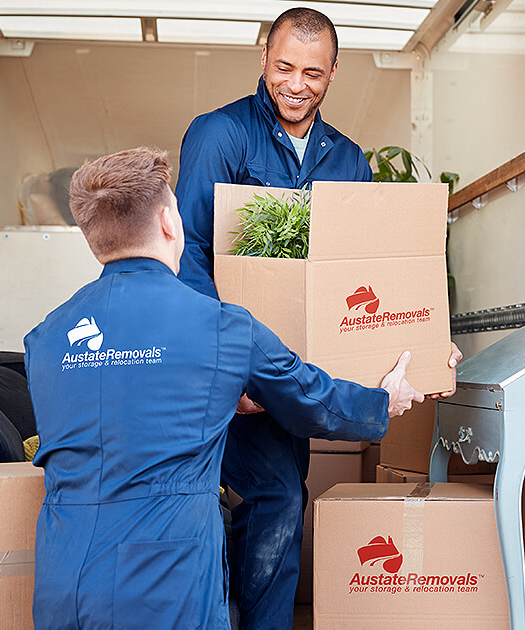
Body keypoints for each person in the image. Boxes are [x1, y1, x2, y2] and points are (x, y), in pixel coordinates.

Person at [25, 147, 424, 630]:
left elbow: (121, 409)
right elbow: (313, 403)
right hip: (167, 583)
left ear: (93, 238)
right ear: (171, 221)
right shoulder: (221, 327)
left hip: (60, 580)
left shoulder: (45, 338)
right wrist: (384, 400)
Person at [174, 7, 461, 629]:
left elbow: (363, 276)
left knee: (280, 498)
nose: (295, 84)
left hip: (294, 369)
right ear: (263, 60)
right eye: (283, 67)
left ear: (332, 74)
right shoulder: (218, 135)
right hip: (224, 365)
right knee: (256, 496)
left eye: (312, 71)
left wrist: (424, 339)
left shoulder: (348, 160)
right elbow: (190, 256)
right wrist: (230, 372)